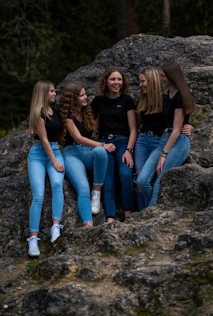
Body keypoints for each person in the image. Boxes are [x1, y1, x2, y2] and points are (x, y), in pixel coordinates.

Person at [136, 60, 194, 207]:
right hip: (164, 139)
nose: (160, 79)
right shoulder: (168, 95)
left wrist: (164, 154)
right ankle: (150, 212)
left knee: (159, 183)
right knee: (142, 181)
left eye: (162, 76)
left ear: (171, 77)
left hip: (177, 142)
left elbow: (176, 129)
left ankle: (149, 218)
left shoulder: (179, 97)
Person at [58, 81, 115, 227]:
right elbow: (78, 138)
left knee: (101, 152)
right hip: (72, 154)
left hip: (88, 153)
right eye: (82, 95)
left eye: (85, 94)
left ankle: (97, 191)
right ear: (73, 99)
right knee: (83, 188)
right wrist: (103, 144)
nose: (85, 98)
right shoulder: (68, 117)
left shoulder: (87, 112)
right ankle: (88, 224)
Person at [91, 66, 137, 222]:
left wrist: (129, 150)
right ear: (106, 81)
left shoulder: (127, 101)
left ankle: (128, 212)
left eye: (119, 79)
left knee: (125, 174)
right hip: (104, 142)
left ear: (123, 82)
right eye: (112, 79)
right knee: (108, 179)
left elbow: (133, 130)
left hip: (123, 141)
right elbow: (89, 122)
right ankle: (110, 216)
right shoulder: (98, 101)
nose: (116, 82)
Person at [27, 80, 65, 257]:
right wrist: (54, 161)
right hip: (38, 155)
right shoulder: (38, 113)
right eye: (51, 91)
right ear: (43, 93)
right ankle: (33, 239)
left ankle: (55, 226)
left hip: (56, 150)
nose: (55, 93)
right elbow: (43, 140)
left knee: (57, 185)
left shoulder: (55, 111)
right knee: (38, 195)